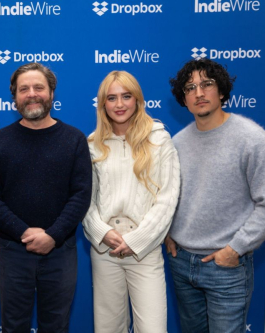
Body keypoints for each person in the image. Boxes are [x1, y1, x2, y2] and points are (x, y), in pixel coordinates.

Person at [166, 58, 265, 333]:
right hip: (182, 265)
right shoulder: (176, 144)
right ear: (183, 99)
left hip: (226, 269)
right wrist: (168, 231)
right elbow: (170, 195)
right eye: (190, 87)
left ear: (221, 91)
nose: (198, 93)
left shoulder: (252, 139)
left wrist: (235, 249)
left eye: (206, 84)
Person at [0, 62, 92, 333]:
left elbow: (80, 195)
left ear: (52, 93)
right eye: (23, 89)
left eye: (38, 87)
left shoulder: (74, 139)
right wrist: (24, 232)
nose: (31, 94)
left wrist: (52, 235)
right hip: (12, 250)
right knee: (14, 327)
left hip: (60, 249)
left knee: (55, 326)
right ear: (14, 98)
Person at [82, 71, 180, 333]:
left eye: (126, 96)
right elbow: (84, 200)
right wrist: (103, 233)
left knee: (152, 329)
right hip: (105, 250)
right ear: (103, 104)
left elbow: (167, 198)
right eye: (112, 98)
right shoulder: (92, 145)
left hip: (144, 252)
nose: (120, 104)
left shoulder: (159, 140)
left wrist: (136, 240)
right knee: (108, 329)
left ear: (137, 100)